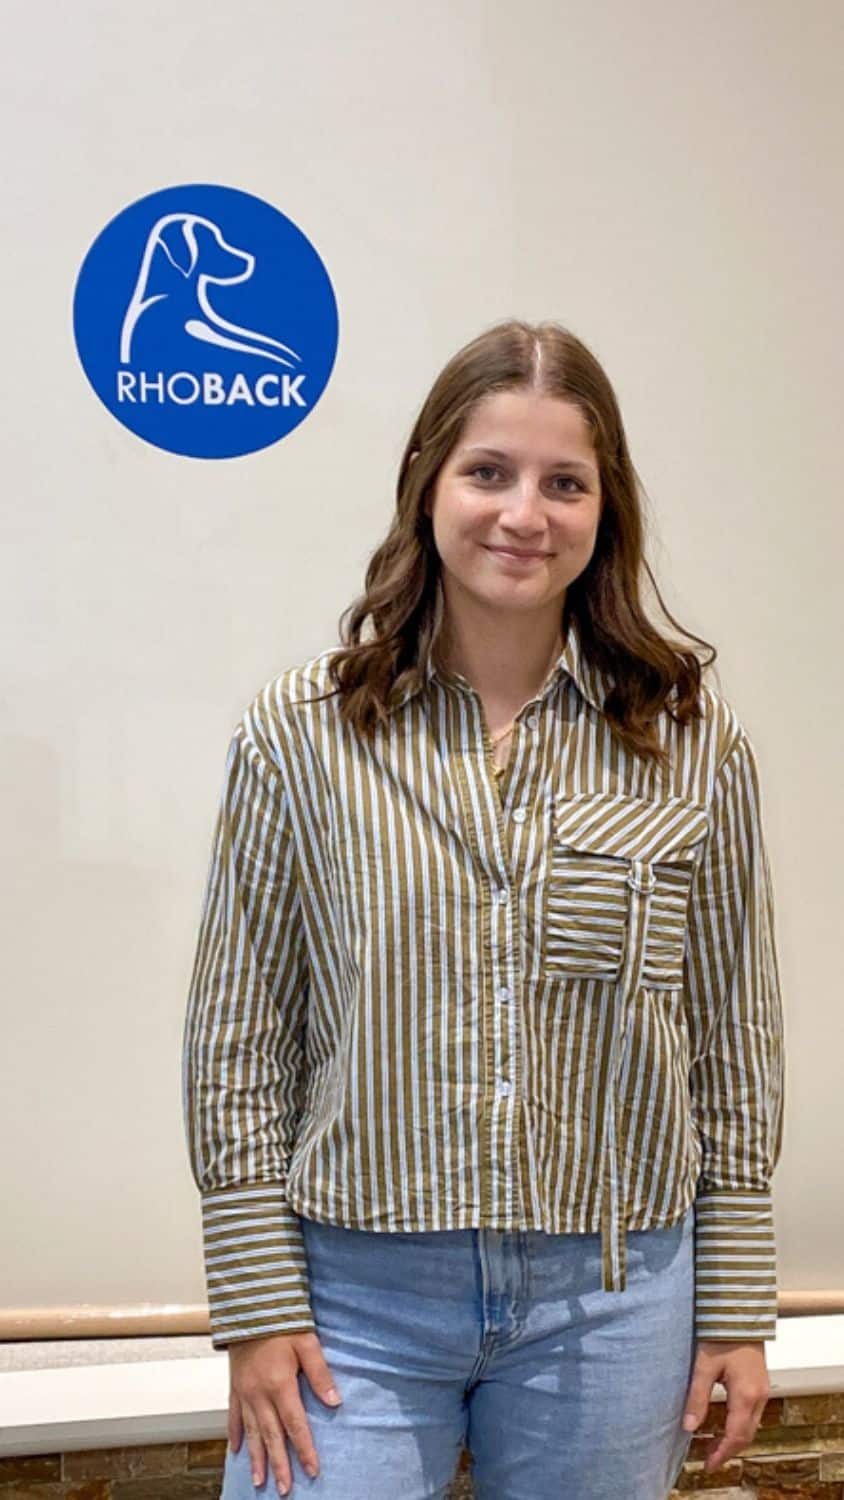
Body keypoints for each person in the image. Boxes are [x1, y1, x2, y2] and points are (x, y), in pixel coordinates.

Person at [181, 318, 785, 1500]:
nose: (524, 514)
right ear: (426, 483)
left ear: (606, 507)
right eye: (488, 472)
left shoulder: (689, 745)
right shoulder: (300, 736)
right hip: (353, 1299)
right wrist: (254, 1299)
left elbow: (731, 1035)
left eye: (564, 482)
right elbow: (239, 1035)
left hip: (612, 1301)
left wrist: (734, 1299)